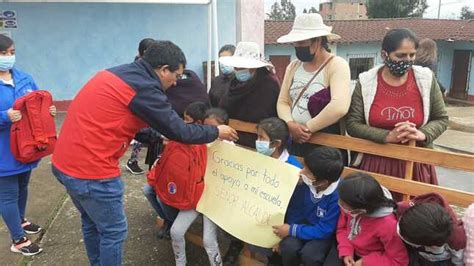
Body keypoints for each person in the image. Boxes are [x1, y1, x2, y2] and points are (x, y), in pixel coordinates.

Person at [51, 41, 238, 266]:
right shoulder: (145, 87)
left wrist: (158, 137)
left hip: (64, 164)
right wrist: (215, 131)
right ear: (163, 69)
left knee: (92, 224)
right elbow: (179, 130)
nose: (176, 81)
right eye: (176, 75)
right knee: (113, 232)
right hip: (92, 172)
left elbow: (123, 120)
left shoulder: (120, 74)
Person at [345, 28, 448, 201]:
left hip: (416, 162)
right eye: (401, 56)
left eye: (412, 55)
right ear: (385, 54)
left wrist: (423, 134)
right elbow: (353, 124)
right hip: (377, 162)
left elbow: (442, 118)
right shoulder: (367, 81)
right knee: (378, 216)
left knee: (415, 219)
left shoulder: (425, 79)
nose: (407, 61)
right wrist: (387, 136)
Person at [0, 34, 56, 256]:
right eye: (4, 53)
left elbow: (37, 103)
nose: (9, 57)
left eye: (12, 53)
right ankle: (18, 239)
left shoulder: (24, 78)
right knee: (7, 194)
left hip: (26, 146)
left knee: (23, 186)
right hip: (3, 151)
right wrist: (4, 116)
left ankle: (20, 220)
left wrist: (47, 111)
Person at [223, 117, 304, 264]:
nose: (257, 141)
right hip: (255, 215)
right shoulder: (258, 158)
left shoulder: (292, 170)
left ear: (276, 144)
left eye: (261, 138)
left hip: (279, 226)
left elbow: (295, 207)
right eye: (257, 136)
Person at [275, 13, 351, 157]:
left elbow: (339, 106)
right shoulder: (293, 66)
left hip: (325, 143)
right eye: (296, 43)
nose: (298, 47)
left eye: (302, 43)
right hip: (295, 141)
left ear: (317, 41)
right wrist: (290, 124)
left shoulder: (336, 65)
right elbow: (283, 101)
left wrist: (307, 128)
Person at [144, 102, 209, 240]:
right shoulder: (179, 137)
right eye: (183, 118)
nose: (183, 123)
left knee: (161, 198)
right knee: (148, 190)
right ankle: (168, 219)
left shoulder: (200, 143)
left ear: (198, 123)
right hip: (173, 181)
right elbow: (165, 161)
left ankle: (172, 222)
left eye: (187, 120)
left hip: (188, 188)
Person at [168, 103, 222, 266]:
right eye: (206, 127)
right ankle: (180, 263)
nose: (210, 131)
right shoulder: (196, 142)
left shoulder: (229, 149)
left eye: (215, 128)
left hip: (214, 201)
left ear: (224, 128)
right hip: (195, 197)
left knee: (208, 240)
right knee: (175, 231)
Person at [273, 146, 343, 266]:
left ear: (323, 182)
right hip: (300, 226)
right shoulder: (304, 183)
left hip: (321, 234)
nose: (301, 172)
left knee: (311, 256)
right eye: (304, 166)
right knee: (288, 247)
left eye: (307, 171)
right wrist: (291, 229)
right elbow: (294, 210)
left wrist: (292, 230)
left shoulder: (337, 196)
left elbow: (324, 230)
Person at [336, 172, 408, 266]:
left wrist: (365, 262)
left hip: (373, 260)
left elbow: (399, 261)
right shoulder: (350, 202)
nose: (340, 204)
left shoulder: (388, 225)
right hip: (348, 248)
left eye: (343, 204)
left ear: (361, 210)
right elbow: (342, 228)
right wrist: (346, 250)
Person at [219, 42, 280, 148]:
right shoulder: (235, 82)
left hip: (258, 141)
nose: (237, 70)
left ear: (254, 67)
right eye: (236, 67)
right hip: (232, 138)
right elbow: (224, 106)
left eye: (241, 67)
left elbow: (265, 115)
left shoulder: (269, 84)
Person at [396, 193, 466, 266]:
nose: (397, 230)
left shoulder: (457, 239)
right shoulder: (405, 210)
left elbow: (458, 261)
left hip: (440, 260)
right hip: (415, 252)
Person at [127, 38, 157, 175]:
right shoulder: (140, 68)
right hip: (139, 104)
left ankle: (135, 161)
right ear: (145, 52)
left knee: (143, 132)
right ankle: (133, 161)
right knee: (140, 132)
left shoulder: (139, 65)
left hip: (141, 103)